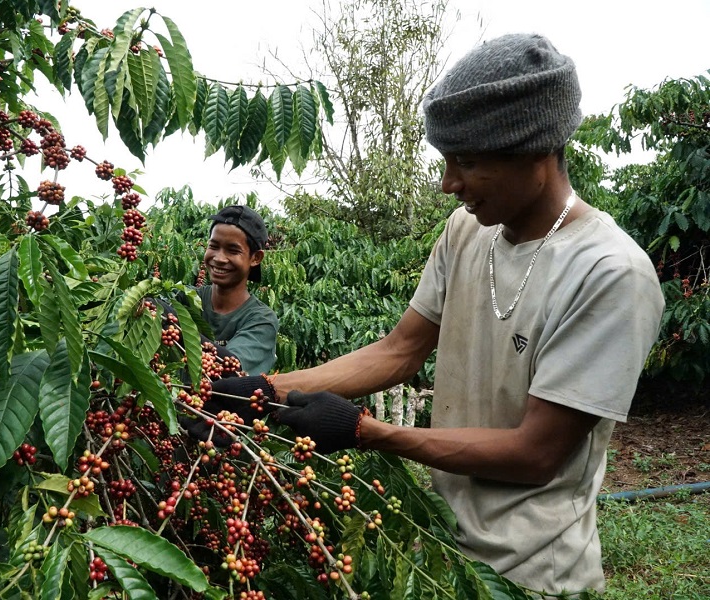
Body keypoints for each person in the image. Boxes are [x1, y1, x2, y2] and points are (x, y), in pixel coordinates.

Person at [189, 34, 664, 594]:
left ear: (537, 152)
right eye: (445, 160)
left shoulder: (608, 273)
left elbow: (535, 454)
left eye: (466, 162)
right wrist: (265, 391)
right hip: (441, 549)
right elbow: (400, 351)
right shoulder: (466, 231)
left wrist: (366, 431)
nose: (449, 184)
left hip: (533, 574)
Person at [195, 205, 278, 376]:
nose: (219, 258)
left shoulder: (261, 320)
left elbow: (229, 368)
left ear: (255, 258)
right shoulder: (187, 299)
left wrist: (178, 327)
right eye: (214, 246)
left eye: (233, 250)